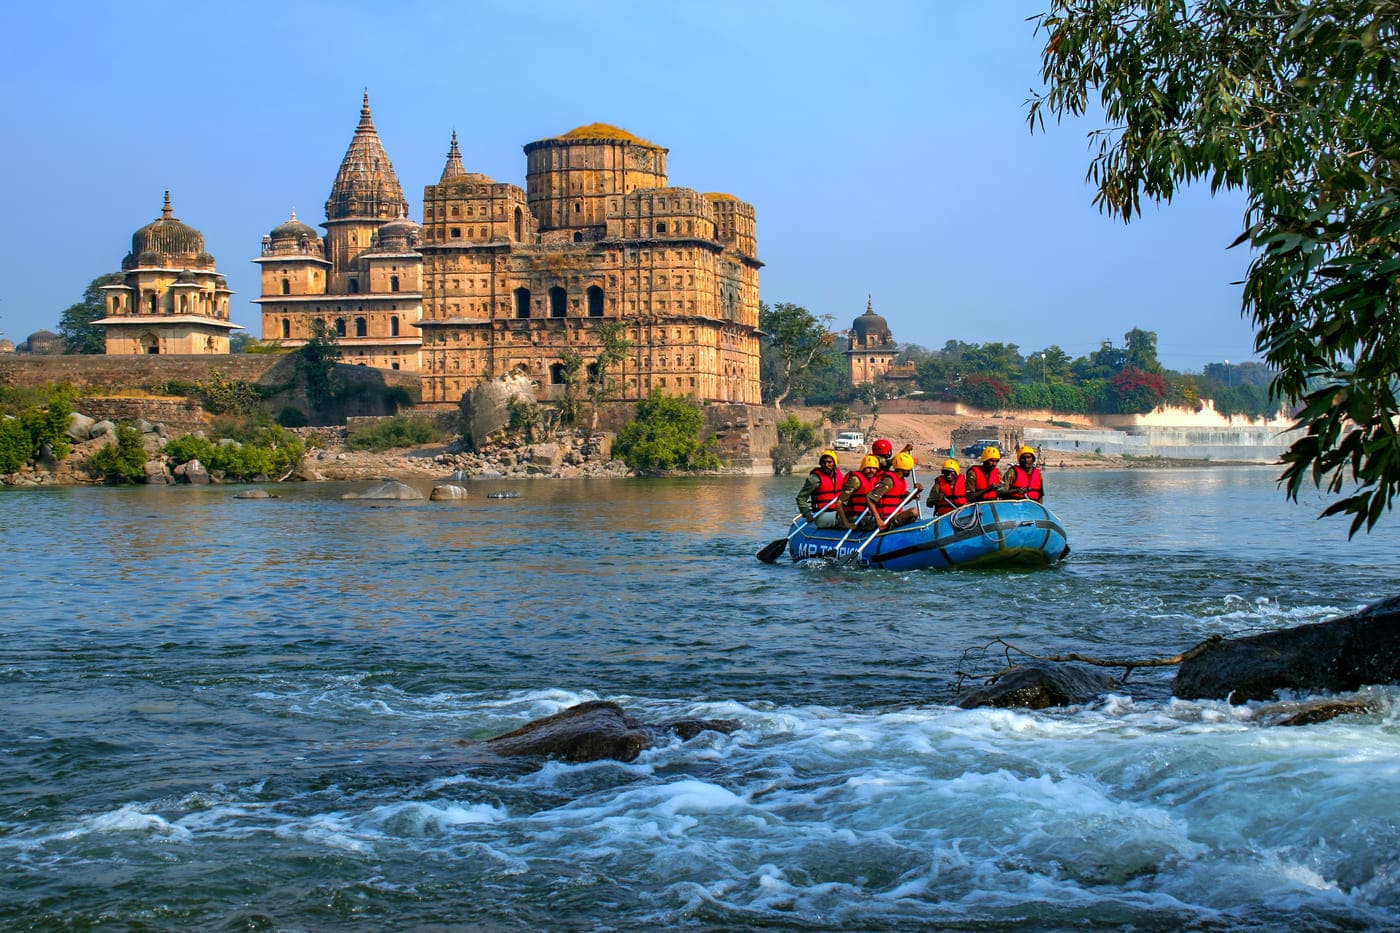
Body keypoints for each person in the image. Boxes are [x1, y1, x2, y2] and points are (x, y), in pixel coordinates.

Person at [867, 451, 923, 531]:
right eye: (910, 468)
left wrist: (915, 493)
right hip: (885, 519)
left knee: (914, 514)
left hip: (894, 516)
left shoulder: (901, 481)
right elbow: (869, 498)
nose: (911, 470)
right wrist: (878, 519)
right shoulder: (889, 481)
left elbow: (902, 502)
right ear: (904, 468)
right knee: (913, 511)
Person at [796, 449, 844, 528]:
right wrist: (807, 514)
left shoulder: (839, 475)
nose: (826, 465)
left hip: (838, 511)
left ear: (834, 464)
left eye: (829, 462)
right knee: (846, 519)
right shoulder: (814, 479)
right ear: (820, 463)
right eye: (824, 462)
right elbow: (800, 498)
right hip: (822, 515)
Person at [837, 454, 882, 530]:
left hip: (865, 515)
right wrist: (846, 523)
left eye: (874, 468)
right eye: (868, 468)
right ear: (863, 468)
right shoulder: (855, 480)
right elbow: (839, 503)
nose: (871, 470)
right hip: (853, 517)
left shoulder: (873, 480)